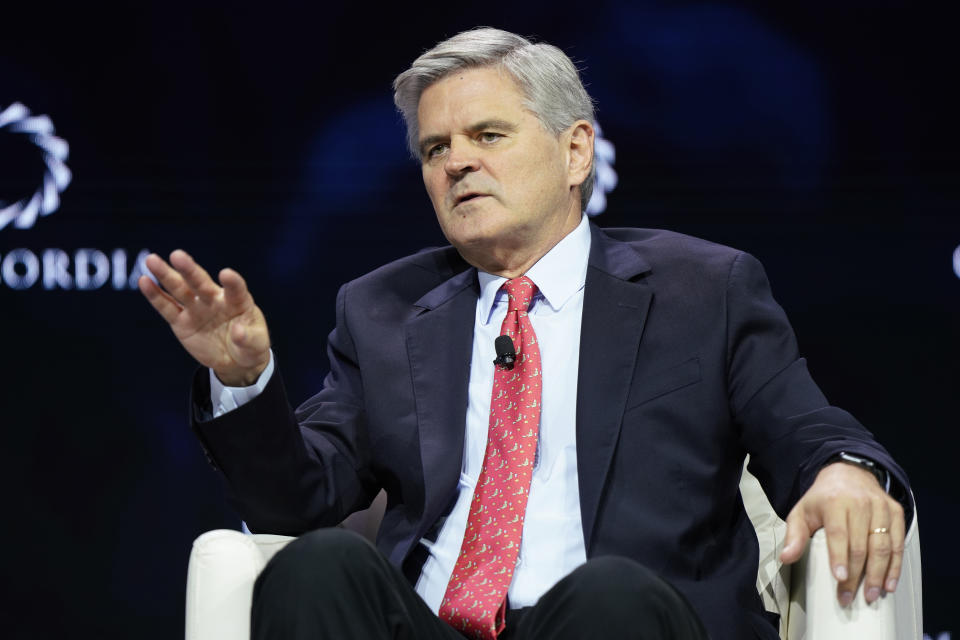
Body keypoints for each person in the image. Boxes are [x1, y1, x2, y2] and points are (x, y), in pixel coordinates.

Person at [139, 27, 911, 640]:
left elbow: (805, 425)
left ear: (576, 151)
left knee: (607, 595)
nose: (459, 164)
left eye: (489, 135)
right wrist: (244, 381)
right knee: (319, 566)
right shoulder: (382, 307)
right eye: (437, 149)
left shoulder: (701, 289)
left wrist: (844, 470)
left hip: (624, 621)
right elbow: (298, 501)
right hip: (438, 624)